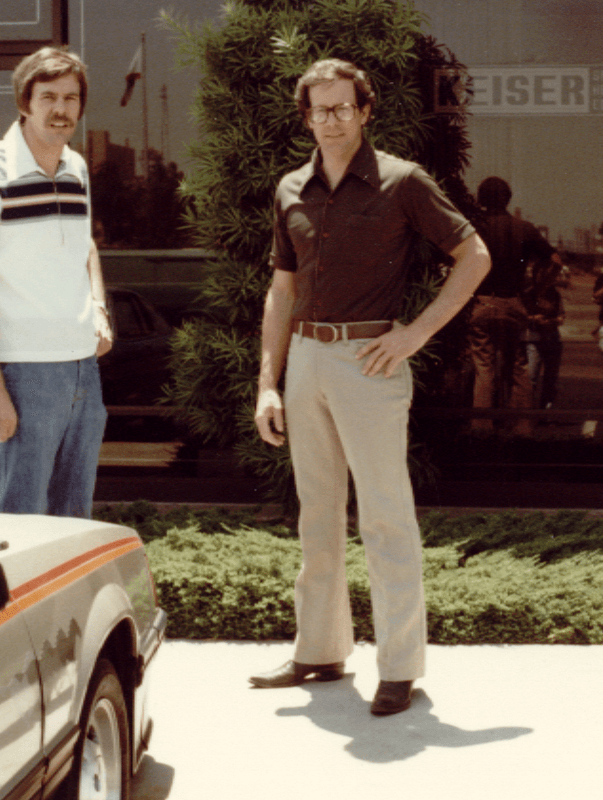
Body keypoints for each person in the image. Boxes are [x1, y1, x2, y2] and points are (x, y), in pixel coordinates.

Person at [250, 58, 490, 716]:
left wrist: (415, 333)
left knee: (385, 517)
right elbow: (282, 289)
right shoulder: (290, 188)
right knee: (317, 515)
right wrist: (267, 385)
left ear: (365, 111)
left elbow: (475, 255)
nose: (331, 120)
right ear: (306, 117)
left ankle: (400, 666)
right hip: (304, 358)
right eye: (318, 110)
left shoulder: (402, 182)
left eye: (342, 108)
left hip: (370, 360)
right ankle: (320, 652)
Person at [0, 47, 112, 518]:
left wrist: (98, 307)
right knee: (21, 522)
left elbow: (87, 248)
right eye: (48, 97)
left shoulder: (75, 167)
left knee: (72, 519)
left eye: (71, 98)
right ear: (25, 102)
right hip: (24, 373)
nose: (61, 109)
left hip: (84, 367)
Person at [468, 177, 555, 435]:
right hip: (514, 302)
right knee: (518, 365)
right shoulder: (525, 228)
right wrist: (537, 290)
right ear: (508, 198)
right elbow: (555, 261)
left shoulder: (475, 228)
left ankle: (481, 428)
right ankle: (523, 427)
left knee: (484, 366)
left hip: (483, 300)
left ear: (480, 199)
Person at [522, 258, 565, 409]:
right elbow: (520, 316)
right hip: (534, 338)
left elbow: (561, 316)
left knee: (551, 379)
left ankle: (547, 412)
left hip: (552, 338)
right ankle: (527, 412)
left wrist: (553, 321)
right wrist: (534, 319)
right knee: (531, 377)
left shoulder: (554, 294)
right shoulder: (528, 293)